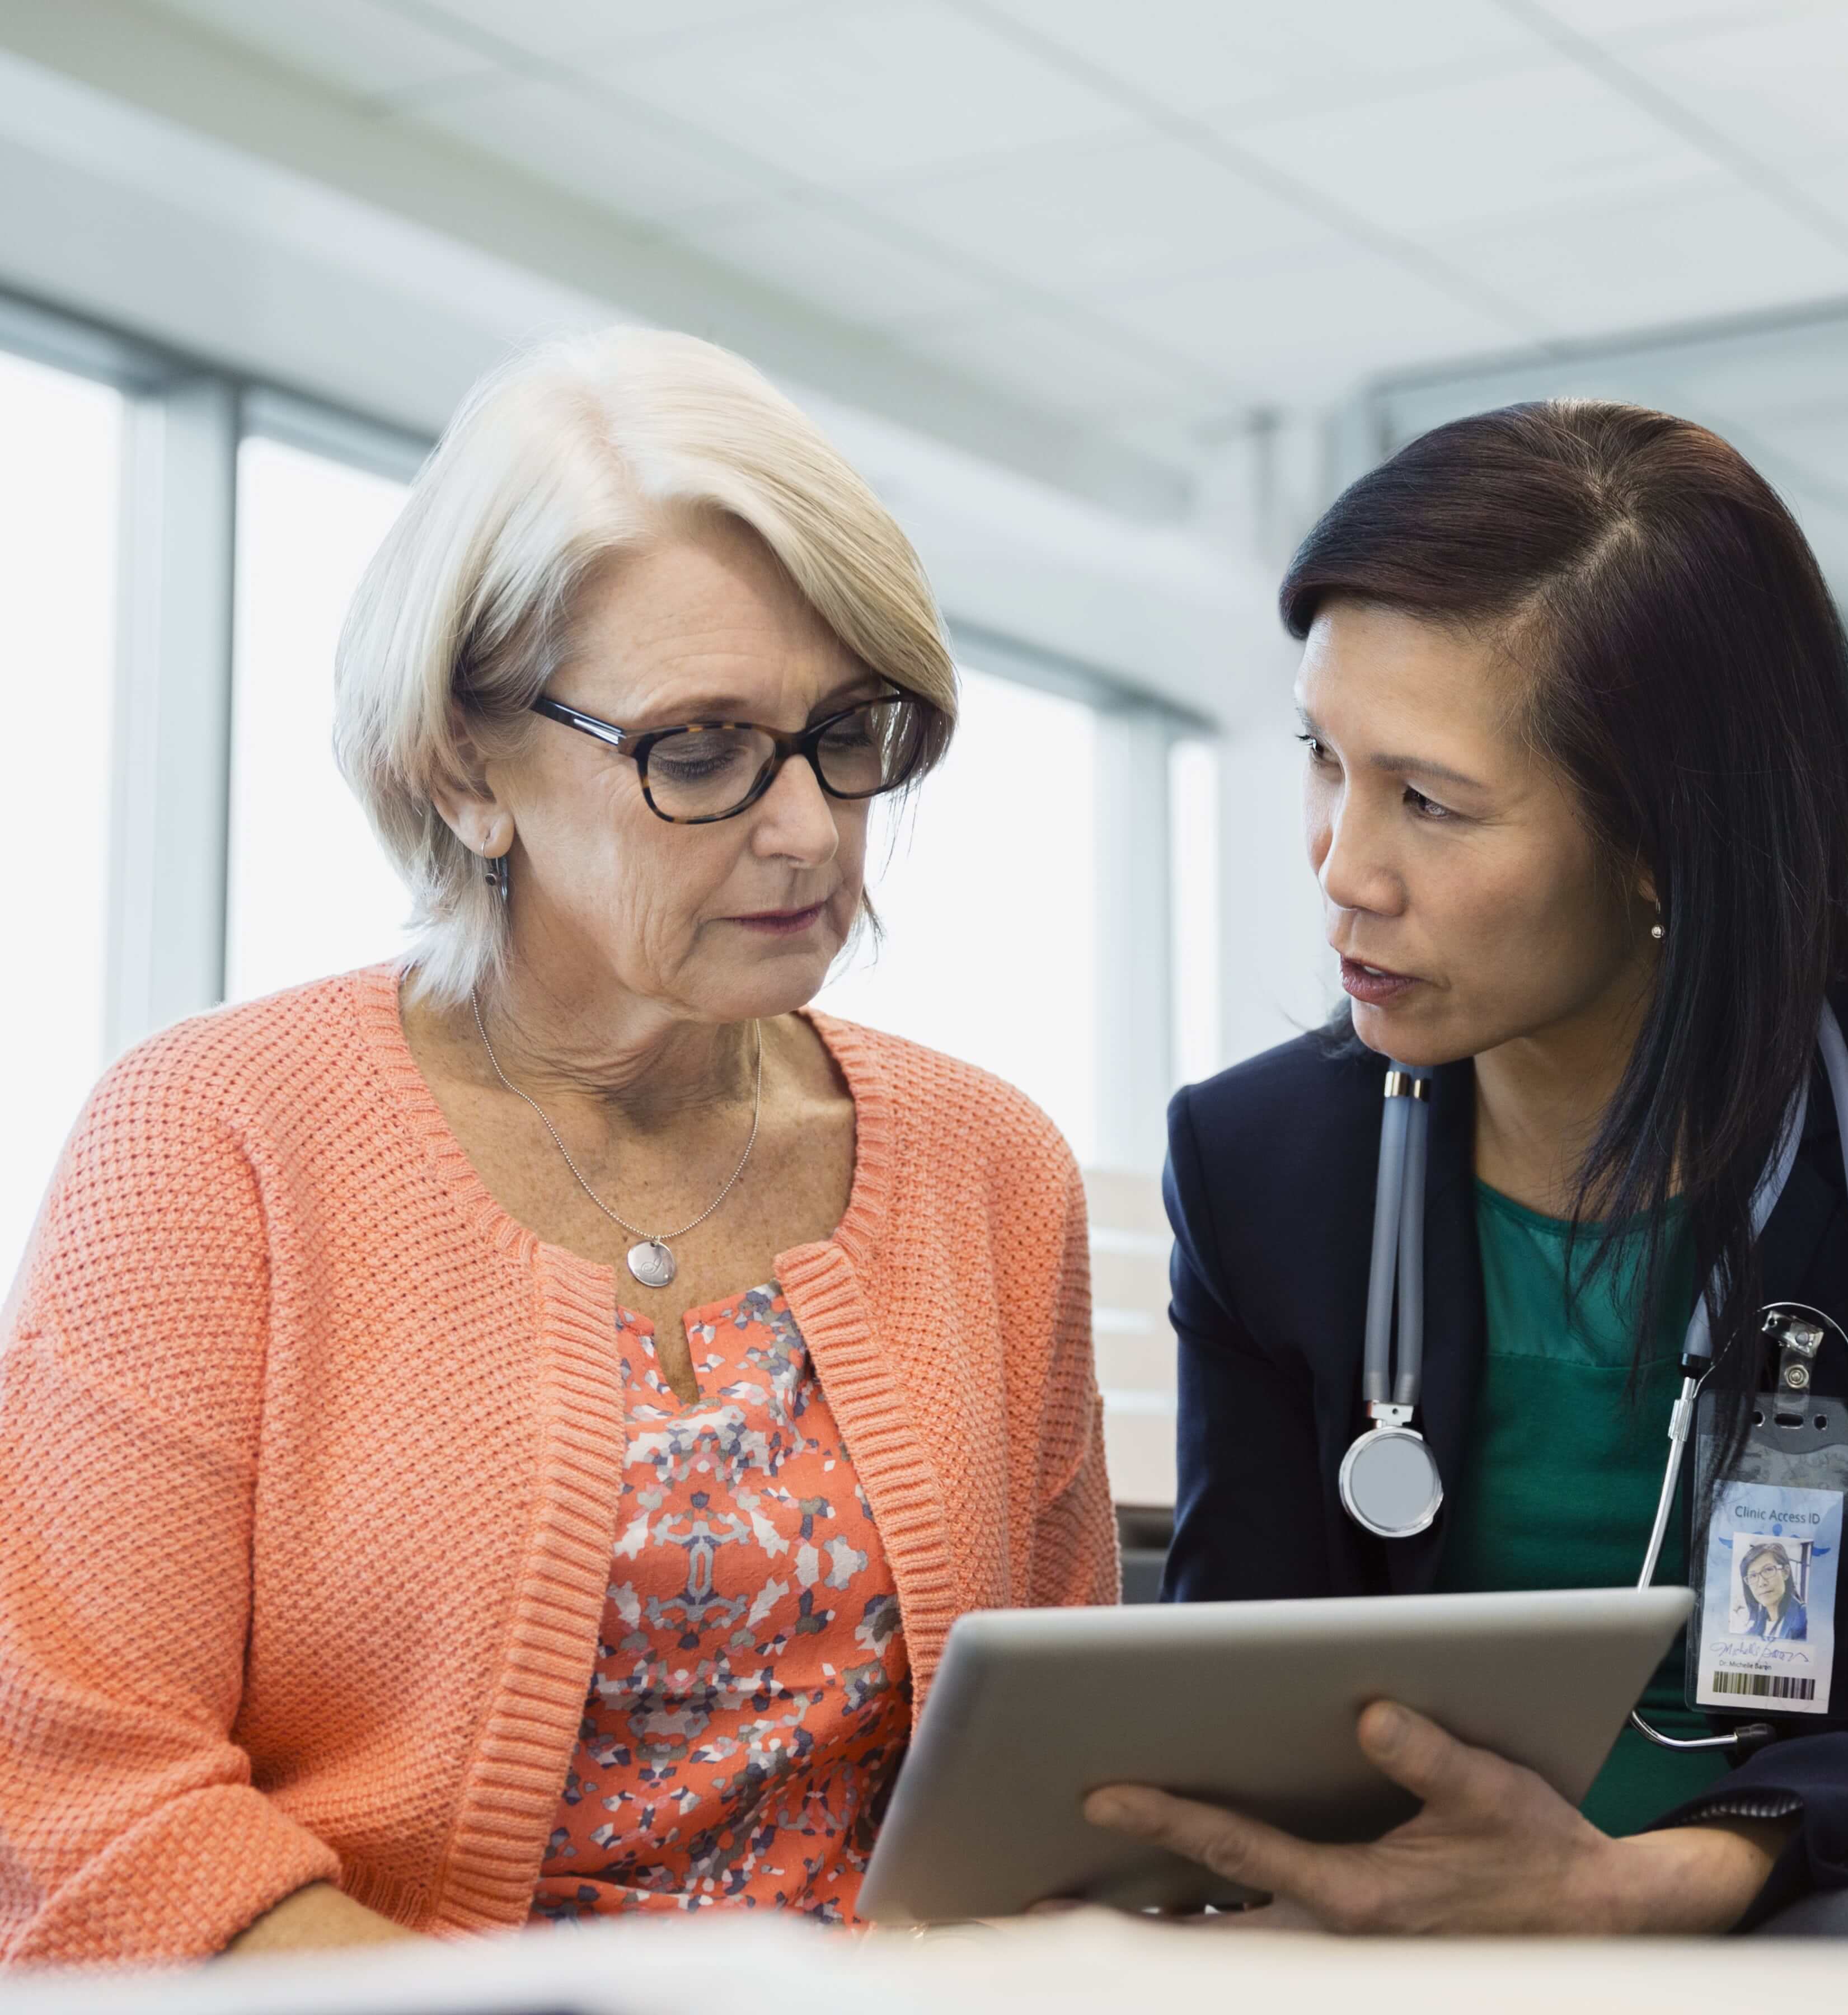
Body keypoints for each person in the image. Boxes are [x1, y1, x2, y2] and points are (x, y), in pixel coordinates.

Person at [0, 329, 1114, 1969]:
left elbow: (1050, 1792)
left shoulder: (992, 1171)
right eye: (701, 750)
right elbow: (85, 1804)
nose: (808, 829)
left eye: (848, 733)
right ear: (466, 773)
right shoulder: (215, 1141)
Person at [1110, 401, 1848, 1944]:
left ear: (1669, 837)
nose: (1343, 865)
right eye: (1324, 761)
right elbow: (1252, 1694)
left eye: (1430, 801)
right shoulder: (1266, 1162)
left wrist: (1632, 1890)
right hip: (1454, 1936)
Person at [1732, 1544, 1809, 1642]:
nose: (1761, 1583)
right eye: (1753, 1576)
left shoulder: (1805, 1618)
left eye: (1768, 1570)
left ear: (1786, 1572)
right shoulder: (1756, 1627)